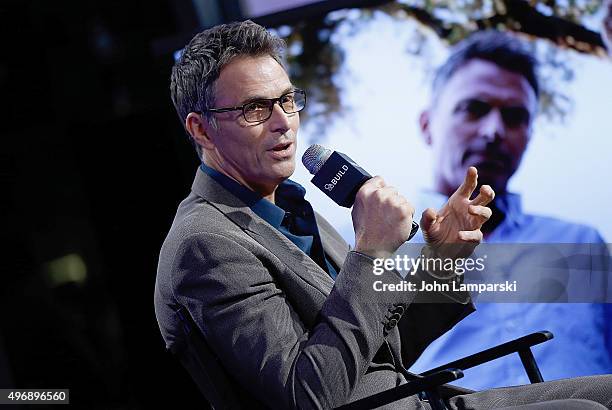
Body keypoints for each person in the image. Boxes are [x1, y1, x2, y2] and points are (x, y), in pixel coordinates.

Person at [154, 21, 611, 409]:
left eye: (287, 100)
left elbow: (382, 349)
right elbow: (310, 395)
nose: (283, 122)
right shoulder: (206, 244)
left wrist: (441, 259)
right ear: (201, 129)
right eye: (256, 108)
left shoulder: (291, 206)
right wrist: (371, 251)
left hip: (424, 397)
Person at [409, 30, 612, 391]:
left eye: (516, 117)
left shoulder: (582, 243)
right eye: (474, 108)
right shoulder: (365, 250)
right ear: (427, 125)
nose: (494, 131)